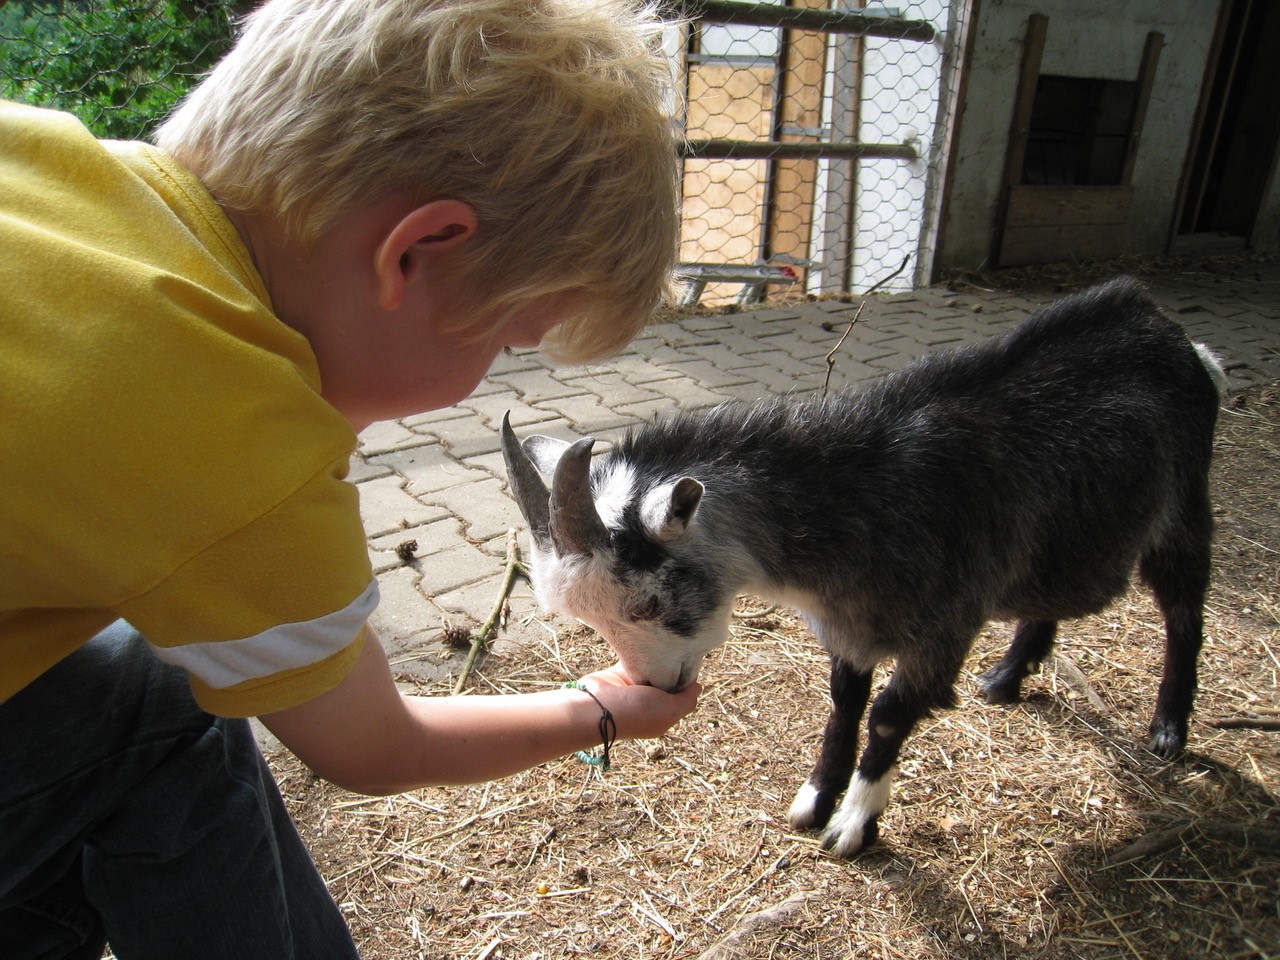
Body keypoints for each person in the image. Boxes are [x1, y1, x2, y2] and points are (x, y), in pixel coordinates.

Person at [0, 0, 700, 956]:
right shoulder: (234, 441)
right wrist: (606, 707)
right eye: (505, 338)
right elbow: (377, 750)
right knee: (162, 709)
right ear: (415, 252)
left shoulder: (38, 155)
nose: (489, 370)